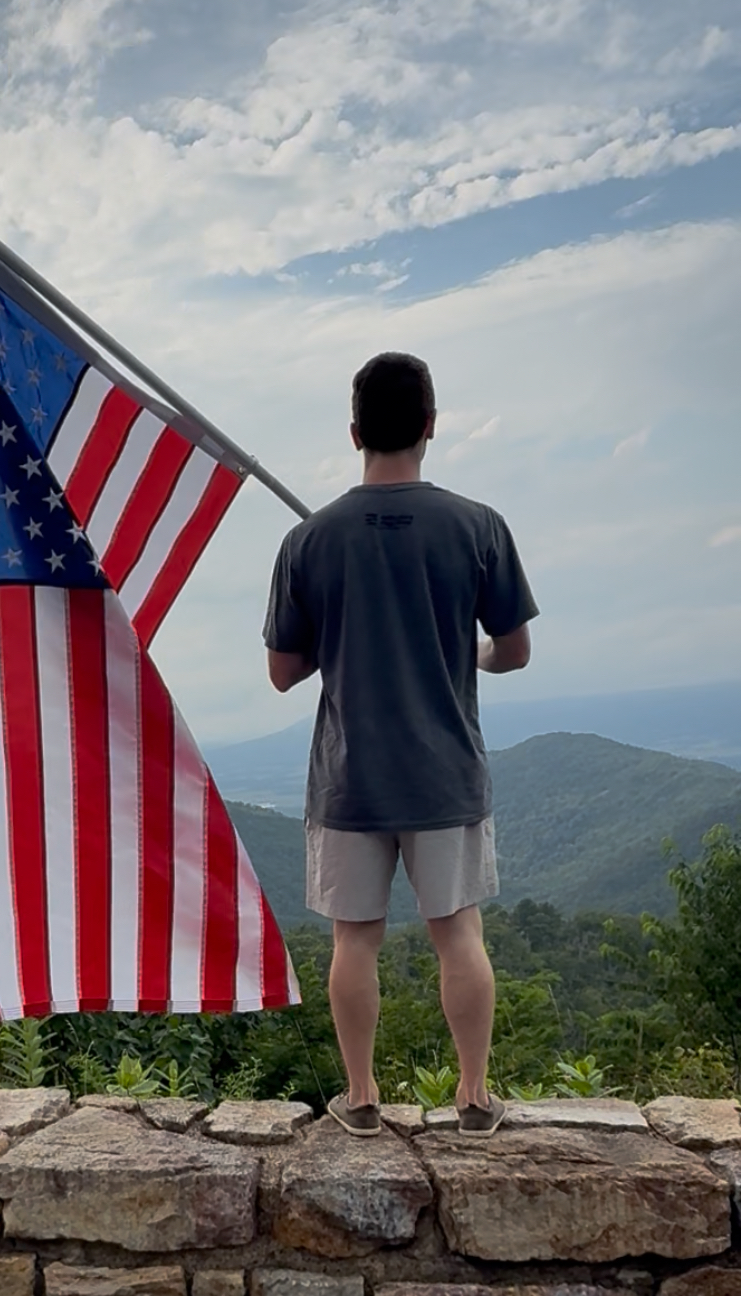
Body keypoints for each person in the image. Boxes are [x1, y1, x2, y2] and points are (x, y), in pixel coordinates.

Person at [263, 352, 538, 1138]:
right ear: (429, 425)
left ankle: (360, 1097)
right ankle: (476, 1096)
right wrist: (469, 653)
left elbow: (285, 671)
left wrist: (340, 636)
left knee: (356, 940)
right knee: (459, 932)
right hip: (445, 772)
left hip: (350, 777)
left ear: (354, 433)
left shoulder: (310, 539)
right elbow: (513, 649)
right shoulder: (478, 525)